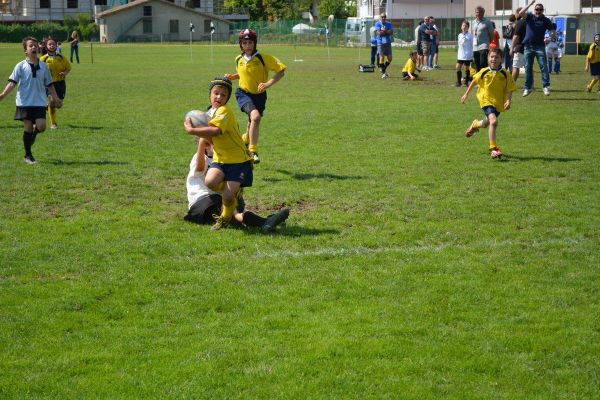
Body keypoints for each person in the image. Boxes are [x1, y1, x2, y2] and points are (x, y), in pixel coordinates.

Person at [184, 77, 253, 230]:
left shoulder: (224, 111)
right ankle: (233, 194)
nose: (219, 97)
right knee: (210, 182)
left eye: (223, 95)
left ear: (227, 98)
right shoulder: (210, 113)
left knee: (227, 198)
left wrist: (192, 130)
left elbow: (216, 131)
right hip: (221, 159)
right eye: (216, 93)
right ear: (210, 94)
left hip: (237, 161)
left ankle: (224, 218)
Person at [184, 141, 289, 232]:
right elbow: (198, 171)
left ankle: (264, 221)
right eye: (217, 143)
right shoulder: (199, 158)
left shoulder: (223, 159)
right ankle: (264, 222)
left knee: (235, 211)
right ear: (206, 145)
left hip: (218, 198)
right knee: (233, 214)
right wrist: (201, 144)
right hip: (202, 201)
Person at [224, 29, 285, 164]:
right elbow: (242, 74)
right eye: (244, 43)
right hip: (243, 93)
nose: (247, 46)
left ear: (255, 43)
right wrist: (232, 77)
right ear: (241, 45)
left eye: (250, 42)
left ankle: (245, 140)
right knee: (255, 117)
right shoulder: (238, 59)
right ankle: (253, 150)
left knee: (252, 121)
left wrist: (268, 84)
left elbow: (281, 70)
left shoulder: (263, 58)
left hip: (260, 96)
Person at [0, 37, 62, 164]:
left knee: (42, 126)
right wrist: (3, 94)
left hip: (39, 102)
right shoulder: (20, 66)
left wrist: (56, 98)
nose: (34, 47)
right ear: (25, 50)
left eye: (35, 45)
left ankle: (33, 136)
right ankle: (28, 155)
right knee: (27, 128)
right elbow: (12, 83)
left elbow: (50, 84)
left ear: (39, 48)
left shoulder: (44, 66)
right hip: (24, 102)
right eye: (30, 46)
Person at [461, 48, 517, 159]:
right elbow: (474, 81)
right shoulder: (484, 71)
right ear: (488, 58)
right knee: (494, 121)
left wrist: (508, 100)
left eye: (496, 57)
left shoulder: (505, 74)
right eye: (491, 57)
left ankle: (475, 124)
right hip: (485, 100)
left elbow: (510, 89)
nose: (493, 59)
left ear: (501, 59)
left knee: (487, 123)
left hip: (498, 103)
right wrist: (466, 94)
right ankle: (493, 148)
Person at [518, 1, 555, 97]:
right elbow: (520, 13)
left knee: (543, 66)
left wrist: (549, 38)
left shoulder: (546, 20)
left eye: (540, 10)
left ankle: (546, 86)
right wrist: (530, 4)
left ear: (543, 11)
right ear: (534, 10)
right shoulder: (530, 17)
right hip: (528, 46)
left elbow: (553, 32)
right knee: (528, 68)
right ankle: (528, 88)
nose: (538, 11)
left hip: (540, 47)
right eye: (536, 9)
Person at [40, 37, 71, 130]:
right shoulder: (43, 59)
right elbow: (38, 71)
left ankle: (47, 106)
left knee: (59, 105)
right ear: (46, 46)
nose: (52, 46)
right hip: (49, 85)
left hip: (60, 84)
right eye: (50, 44)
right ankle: (53, 124)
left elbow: (68, 68)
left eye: (53, 44)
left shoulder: (61, 57)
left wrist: (64, 73)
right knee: (52, 102)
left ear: (56, 45)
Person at [510, 3, 534, 83]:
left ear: (518, 13)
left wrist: (511, 48)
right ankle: (531, 85)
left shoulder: (520, 22)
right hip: (530, 47)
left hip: (520, 47)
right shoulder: (530, 21)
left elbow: (516, 37)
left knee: (516, 66)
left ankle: (512, 84)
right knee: (529, 67)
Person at [471, 6, 495, 73]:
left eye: (480, 12)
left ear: (483, 13)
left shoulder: (487, 22)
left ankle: (486, 76)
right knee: (477, 64)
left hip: (484, 45)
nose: (478, 14)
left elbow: (491, 34)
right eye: (477, 12)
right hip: (475, 46)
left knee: (483, 63)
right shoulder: (473, 22)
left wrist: (488, 42)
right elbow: (472, 33)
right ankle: (479, 80)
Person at [375, 13, 394, 78]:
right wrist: (387, 32)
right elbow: (379, 33)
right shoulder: (377, 23)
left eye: (384, 17)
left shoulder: (389, 24)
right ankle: (383, 73)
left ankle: (383, 69)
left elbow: (391, 32)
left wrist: (384, 31)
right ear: (380, 17)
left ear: (386, 18)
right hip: (380, 43)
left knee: (390, 58)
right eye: (382, 17)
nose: (383, 18)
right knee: (382, 57)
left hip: (388, 43)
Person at [456, 20, 474, 87]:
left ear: (468, 27)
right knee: (458, 67)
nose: (464, 27)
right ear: (461, 27)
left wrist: (472, 54)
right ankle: (459, 82)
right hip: (460, 55)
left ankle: (466, 82)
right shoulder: (459, 35)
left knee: (467, 68)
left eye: (466, 26)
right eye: (463, 25)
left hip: (467, 55)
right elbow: (459, 44)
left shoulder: (470, 36)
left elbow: (472, 45)